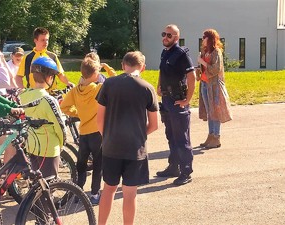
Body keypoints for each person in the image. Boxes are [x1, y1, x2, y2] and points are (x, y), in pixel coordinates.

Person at [97, 51, 159, 225]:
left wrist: (107, 136)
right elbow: (154, 125)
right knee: (130, 194)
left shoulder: (108, 84)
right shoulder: (147, 88)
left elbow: (99, 120)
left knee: (108, 189)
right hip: (135, 149)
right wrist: (139, 134)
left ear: (123, 65)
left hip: (111, 146)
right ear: (143, 68)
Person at [156, 24, 196, 186]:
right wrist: (159, 85)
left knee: (181, 138)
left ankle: (186, 171)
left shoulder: (181, 54)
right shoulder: (166, 52)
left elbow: (192, 76)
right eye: (164, 34)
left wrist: (187, 99)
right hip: (166, 101)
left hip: (177, 102)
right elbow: (162, 71)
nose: (165, 37)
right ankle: (174, 167)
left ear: (176, 38)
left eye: (169, 35)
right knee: (170, 135)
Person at [60, 57, 104, 206]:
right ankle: (94, 193)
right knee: (98, 164)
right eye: (98, 71)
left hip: (84, 132)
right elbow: (115, 82)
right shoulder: (98, 88)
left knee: (81, 165)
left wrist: (78, 113)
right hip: (97, 132)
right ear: (94, 74)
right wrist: (108, 69)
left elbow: (64, 107)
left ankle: (78, 192)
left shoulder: (74, 91)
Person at [19, 56, 66, 178]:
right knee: (48, 186)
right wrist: (62, 144)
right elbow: (60, 127)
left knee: (37, 184)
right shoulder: (49, 100)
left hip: (32, 145)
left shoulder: (24, 95)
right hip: (49, 147)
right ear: (50, 77)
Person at [197, 29, 232, 148]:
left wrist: (203, 62)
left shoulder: (217, 52)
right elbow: (203, 68)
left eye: (204, 37)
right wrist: (198, 67)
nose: (202, 39)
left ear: (210, 38)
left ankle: (216, 137)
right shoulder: (204, 51)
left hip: (214, 86)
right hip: (205, 84)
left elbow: (216, 69)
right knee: (209, 112)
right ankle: (210, 135)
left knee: (215, 111)